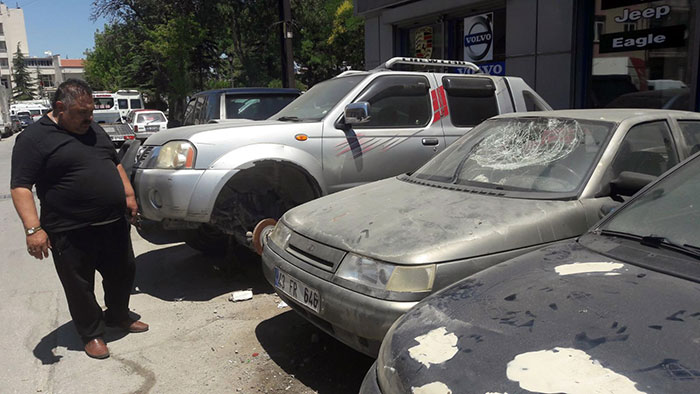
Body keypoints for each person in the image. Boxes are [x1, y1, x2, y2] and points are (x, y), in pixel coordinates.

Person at [10, 79, 148, 360]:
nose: (89, 118)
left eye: (91, 112)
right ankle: (92, 333)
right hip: (69, 228)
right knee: (79, 285)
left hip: (111, 222)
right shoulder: (33, 139)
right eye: (82, 113)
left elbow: (114, 162)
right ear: (60, 108)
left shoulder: (92, 128)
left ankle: (118, 315)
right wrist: (33, 229)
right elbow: (21, 186)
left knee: (123, 272)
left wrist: (129, 195)